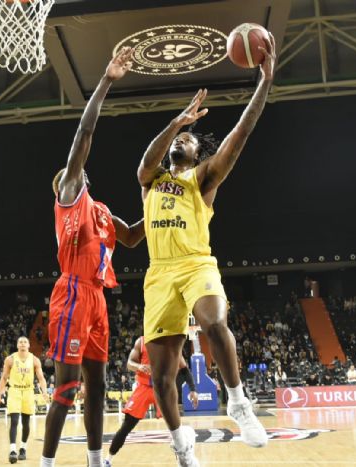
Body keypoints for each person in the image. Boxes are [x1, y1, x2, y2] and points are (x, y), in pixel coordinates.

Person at [135, 34, 276, 466]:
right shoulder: (151, 180)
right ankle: (182, 444)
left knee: (214, 322)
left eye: (189, 139)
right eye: (179, 139)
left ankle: (238, 403)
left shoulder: (202, 180)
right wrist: (176, 123)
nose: (182, 141)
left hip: (196, 264)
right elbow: (145, 163)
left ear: (199, 155)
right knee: (162, 378)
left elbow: (240, 133)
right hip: (159, 274)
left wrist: (264, 83)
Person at [41, 47, 145, 467]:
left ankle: (96, 459)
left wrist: (168, 198)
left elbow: (133, 237)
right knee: (67, 390)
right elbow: (83, 136)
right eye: (72, 172)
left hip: (98, 298)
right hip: (71, 292)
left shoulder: (102, 211)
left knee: (98, 387)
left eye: (79, 172)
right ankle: (47, 463)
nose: (78, 171)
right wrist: (106, 81)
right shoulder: (70, 199)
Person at [105, 336, 198, 466]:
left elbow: (184, 368)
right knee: (126, 426)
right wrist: (139, 366)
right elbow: (130, 363)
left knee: (175, 426)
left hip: (162, 388)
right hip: (143, 387)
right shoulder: (141, 341)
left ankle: (184, 457)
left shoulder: (169, 342)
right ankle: (108, 460)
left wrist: (193, 389)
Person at [0, 336, 49, 464]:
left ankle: (23, 448)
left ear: (29, 345)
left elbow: (41, 378)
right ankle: (13, 450)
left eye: (25, 342)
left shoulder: (35, 360)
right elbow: (4, 378)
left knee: (26, 422)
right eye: (20, 342)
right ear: (17, 345)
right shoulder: (10, 359)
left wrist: (44, 392)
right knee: (14, 421)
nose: (23, 344)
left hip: (28, 391)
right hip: (14, 390)